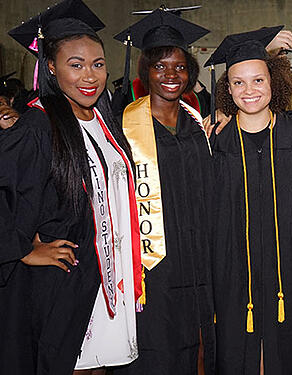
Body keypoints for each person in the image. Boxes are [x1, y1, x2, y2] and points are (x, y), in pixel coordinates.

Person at [2, 0, 142, 373]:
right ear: (51, 67)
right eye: (75, 65)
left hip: (108, 275)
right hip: (65, 282)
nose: (89, 76)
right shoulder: (37, 125)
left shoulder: (103, 118)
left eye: (97, 64)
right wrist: (25, 250)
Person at [111, 9, 216, 375]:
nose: (171, 75)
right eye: (160, 66)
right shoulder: (123, 126)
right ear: (145, 72)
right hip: (152, 267)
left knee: (197, 349)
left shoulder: (197, 124)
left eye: (179, 67)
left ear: (190, 72)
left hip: (199, 258)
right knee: (155, 349)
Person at [205, 26, 292, 375]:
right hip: (232, 269)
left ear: (273, 82)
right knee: (237, 351)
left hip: (288, 267)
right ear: (227, 88)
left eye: (258, 80)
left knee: (285, 351)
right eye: (238, 82)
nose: (249, 90)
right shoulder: (213, 141)